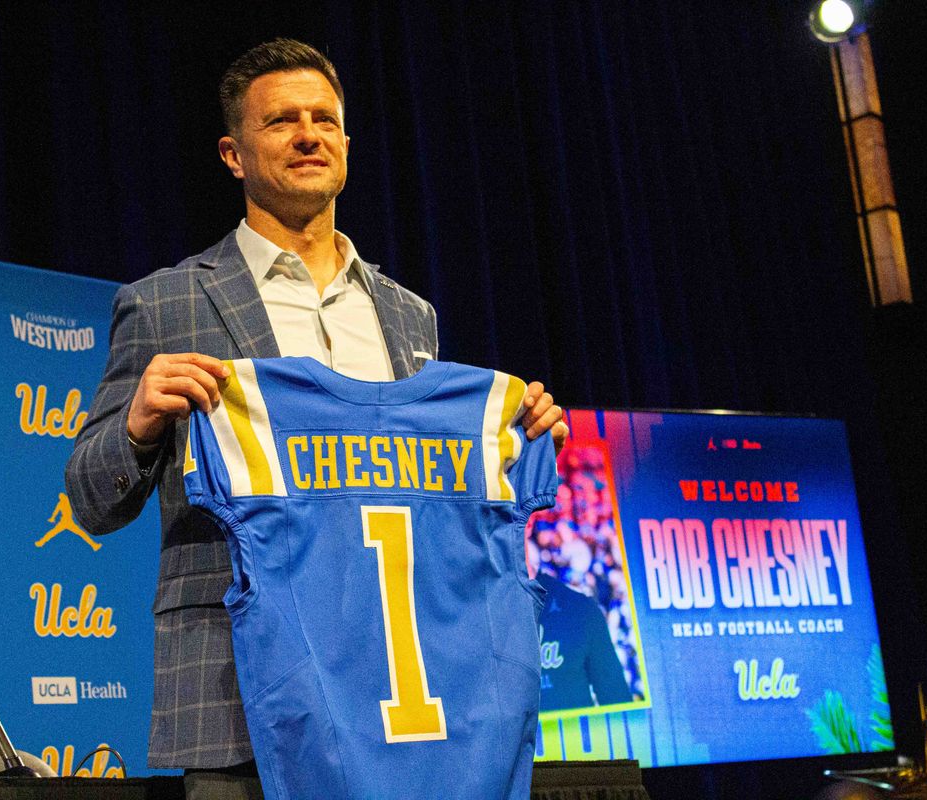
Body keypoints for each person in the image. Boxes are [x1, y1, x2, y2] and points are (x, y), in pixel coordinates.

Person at [65, 38, 567, 788]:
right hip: (238, 698)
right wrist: (137, 426)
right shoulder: (165, 303)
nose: (308, 136)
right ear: (233, 155)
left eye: (323, 120)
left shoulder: (409, 315)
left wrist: (521, 428)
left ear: (346, 146)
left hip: (399, 697)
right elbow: (88, 499)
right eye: (281, 122)